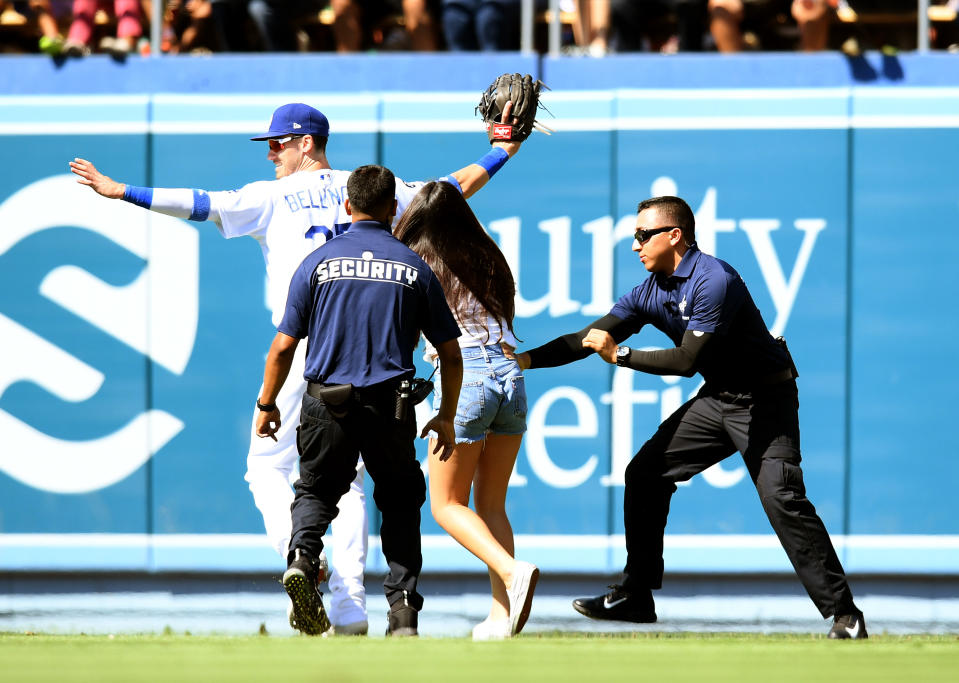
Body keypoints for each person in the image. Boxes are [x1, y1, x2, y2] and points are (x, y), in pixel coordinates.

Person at [69, 101, 523, 636]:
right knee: (353, 481)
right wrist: (501, 150)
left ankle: (303, 557)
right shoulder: (373, 187)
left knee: (270, 468)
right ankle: (350, 605)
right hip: (379, 348)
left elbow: (198, 204)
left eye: (278, 142)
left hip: (312, 348)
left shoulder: (271, 197)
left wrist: (122, 191)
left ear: (307, 142)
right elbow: (451, 188)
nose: (271, 153)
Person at [515, 195, 868, 640]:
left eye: (644, 235)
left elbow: (685, 361)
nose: (635, 245)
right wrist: (523, 359)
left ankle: (846, 616)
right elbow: (590, 336)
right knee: (645, 474)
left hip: (766, 400)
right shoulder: (650, 290)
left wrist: (621, 355)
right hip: (718, 397)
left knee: (782, 500)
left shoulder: (714, 279)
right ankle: (636, 596)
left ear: (674, 235)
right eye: (635, 236)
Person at [255, 164, 463, 637]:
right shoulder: (415, 269)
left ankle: (303, 561)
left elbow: (284, 346)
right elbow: (451, 354)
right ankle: (403, 613)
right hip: (390, 407)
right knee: (401, 502)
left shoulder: (318, 263)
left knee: (315, 491)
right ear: (394, 209)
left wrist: (268, 404)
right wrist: (446, 416)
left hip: (326, 402)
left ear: (347, 206)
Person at [394, 181, 538, 640]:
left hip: (466, 378)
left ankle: (513, 572)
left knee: (445, 504)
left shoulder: (415, 262)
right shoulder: (488, 257)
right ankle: (502, 617)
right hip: (510, 375)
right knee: (492, 504)